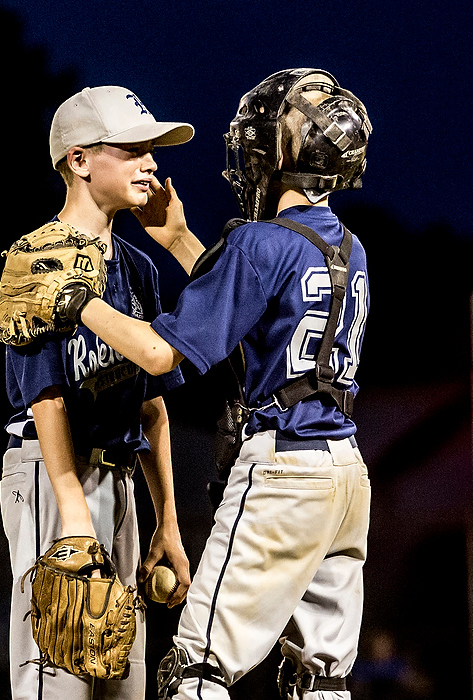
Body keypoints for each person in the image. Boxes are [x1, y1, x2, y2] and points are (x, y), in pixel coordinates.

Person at [71, 68, 373, 699]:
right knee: (322, 679)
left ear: (283, 155)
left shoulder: (259, 243)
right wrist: (181, 239)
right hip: (345, 476)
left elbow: (160, 355)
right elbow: (257, 311)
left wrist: (80, 304)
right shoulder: (348, 245)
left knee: (196, 671)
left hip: (285, 470)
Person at [0, 85, 194, 700]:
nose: (151, 164)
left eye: (151, 151)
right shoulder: (38, 258)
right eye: (133, 149)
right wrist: (76, 518)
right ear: (80, 161)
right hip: (54, 473)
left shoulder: (139, 267)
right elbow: (46, 399)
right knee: (56, 676)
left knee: (121, 679)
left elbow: (153, 407)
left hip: (121, 477)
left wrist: (169, 522)